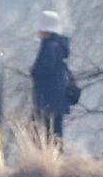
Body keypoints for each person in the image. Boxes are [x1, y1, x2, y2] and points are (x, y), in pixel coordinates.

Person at [30, 10, 78, 143]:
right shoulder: (59, 47)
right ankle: (56, 154)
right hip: (58, 101)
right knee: (56, 134)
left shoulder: (49, 47)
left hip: (48, 101)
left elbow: (44, 71)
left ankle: (47, 155)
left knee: (42, 135)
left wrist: (34, 72)